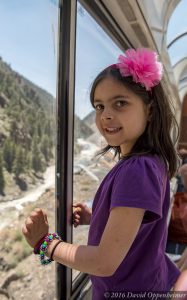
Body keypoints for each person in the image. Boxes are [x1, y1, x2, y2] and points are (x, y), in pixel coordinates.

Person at [22, 48, 181, 297]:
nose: (106, 114)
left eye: (120, 103)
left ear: (150, 110)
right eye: (99, 106)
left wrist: (46, 244)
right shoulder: (152, 162)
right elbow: (134, 223)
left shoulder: (137, 170)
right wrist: (95, 217)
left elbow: (104, 262)